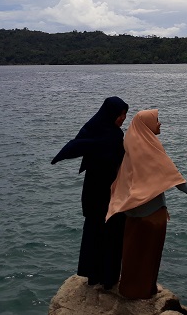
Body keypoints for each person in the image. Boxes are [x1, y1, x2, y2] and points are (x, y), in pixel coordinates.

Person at [106, 109, 187, 299]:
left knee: (132, 252)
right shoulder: (149, 147)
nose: (160, 124)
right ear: (146, 126)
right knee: (149, 254)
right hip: (151, 213)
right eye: (156, 121)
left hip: (131, 210)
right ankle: (146, 291)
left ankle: (128, 288)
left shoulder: (130, 143)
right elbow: (170, 174)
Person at [51, 96, 129, 288]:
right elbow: (78, 146)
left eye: (125, 114)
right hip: (102, 192)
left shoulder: (98, 130)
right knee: (106, 232)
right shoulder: (107, 133)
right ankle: (103, 278)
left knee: (99, 231)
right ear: (111, 114)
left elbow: (79, 145)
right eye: (120, 114)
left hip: (101, 190)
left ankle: (100, 277)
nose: (123, 118)